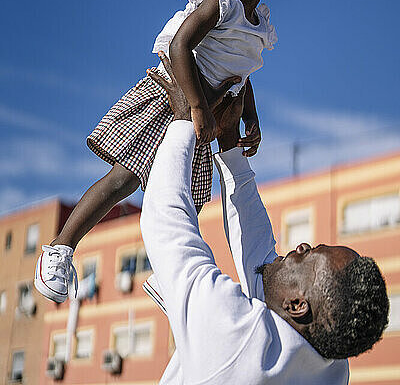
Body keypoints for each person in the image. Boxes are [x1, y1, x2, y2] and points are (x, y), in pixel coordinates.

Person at [34, 0, 317, 303]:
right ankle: (60, 246)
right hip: (176, 98)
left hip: (208, 110)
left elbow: (241, 73)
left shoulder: (259, 24)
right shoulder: (221, 1)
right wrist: (197, 107)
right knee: (124, 179)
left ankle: (167, 274)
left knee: (186, 198)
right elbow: (179, 45)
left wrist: (251, 116)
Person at [140, 54, 389, 384]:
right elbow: (260, 256)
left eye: (307, 255)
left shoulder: (238, 340)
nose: (300, 246)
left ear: (298, 305)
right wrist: (230, 142)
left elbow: (166, 223)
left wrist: (186, 118)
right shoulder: (329, 362)